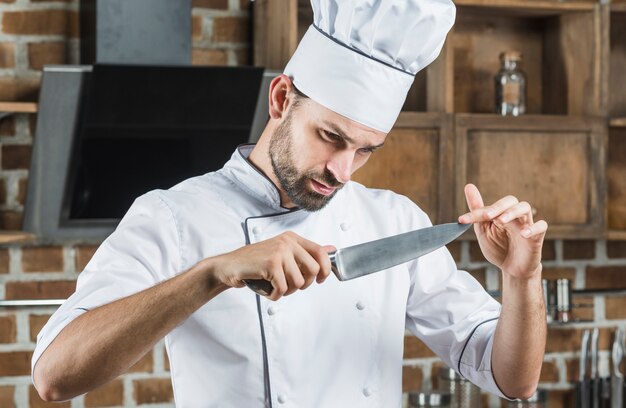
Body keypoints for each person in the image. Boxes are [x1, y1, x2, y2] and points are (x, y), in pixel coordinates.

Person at [32, 1, 548, 406]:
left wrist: (522, 280)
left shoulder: (393, 220)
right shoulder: (173, 217)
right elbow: (54, 377)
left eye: (365, 151)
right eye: (330, 137)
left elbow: (513, 379)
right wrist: (211, 274)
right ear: (281, 99)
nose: (342, 171)